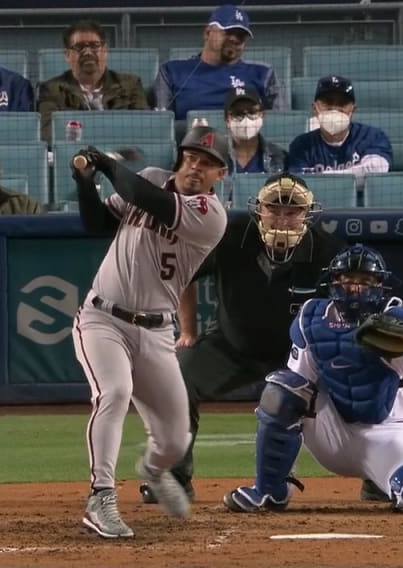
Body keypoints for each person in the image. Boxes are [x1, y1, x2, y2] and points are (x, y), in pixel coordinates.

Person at [222, 244, 403, 515]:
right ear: (334, 282)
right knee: (281, 389)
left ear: (380, 284)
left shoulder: (395, 318)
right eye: (349, 280)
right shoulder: (312, 319)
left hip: (387, 434)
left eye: (365, 281)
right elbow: (298, 381)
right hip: (331, 429)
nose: (356, 288)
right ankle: (269, 492)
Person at [137, 172, 345, 505]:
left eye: (292, 211)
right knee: (175, 378)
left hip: (298, 356)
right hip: (231, 346)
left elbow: (345, 304)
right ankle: (174, 477)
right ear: (258, 209)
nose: (282, 218)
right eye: (273, 209)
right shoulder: (230, 236)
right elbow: (183, 275)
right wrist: (187, 330)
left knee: (361, 377)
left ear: (307, 213)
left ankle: (377, 475)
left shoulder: (328, 251)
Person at [70, 125, 230, 538]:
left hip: (157, 332)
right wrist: (85, 184)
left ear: (220, 175)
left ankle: (155, 471)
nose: (197, 167)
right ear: (181, 158)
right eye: (192, 157)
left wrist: (107, 164)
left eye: (208, 163)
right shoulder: (156, 178)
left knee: (177, 440)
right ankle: (100, 496)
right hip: (103, 318)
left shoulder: (210, 215)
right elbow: (95, 224)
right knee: (115, 393)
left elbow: (147, 199)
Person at [155, 4, 284, 122]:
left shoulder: (262, 74)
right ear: (207, 33)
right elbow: (163, 126)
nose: (234, 39)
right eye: (227, 32)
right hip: (191, 142)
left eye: (241, 35)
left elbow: (283, 124)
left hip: (244, 142)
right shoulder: (172, 71)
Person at [36, 20, 149, 142]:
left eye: (94, 46)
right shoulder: (51, 89)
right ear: (67, 54)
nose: (88, 52)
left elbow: (144, 129)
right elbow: (47, 134)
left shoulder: (130, 85)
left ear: (105, 50)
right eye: (79, 47)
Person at [288, 75, 393, 177]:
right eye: (327, 102)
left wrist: (320, 176)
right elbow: (300, 182)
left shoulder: (371, 137)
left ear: (353, 110)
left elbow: (377, 169)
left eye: (342, 103)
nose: (334, 109)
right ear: (315, 109)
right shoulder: (302, 145)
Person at [223, 86, 287, 174]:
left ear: (262, 115)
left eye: (252, 112)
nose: (246, 119)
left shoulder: (279, 156)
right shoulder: (215, 156)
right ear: (227, 119)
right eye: (238, 113)